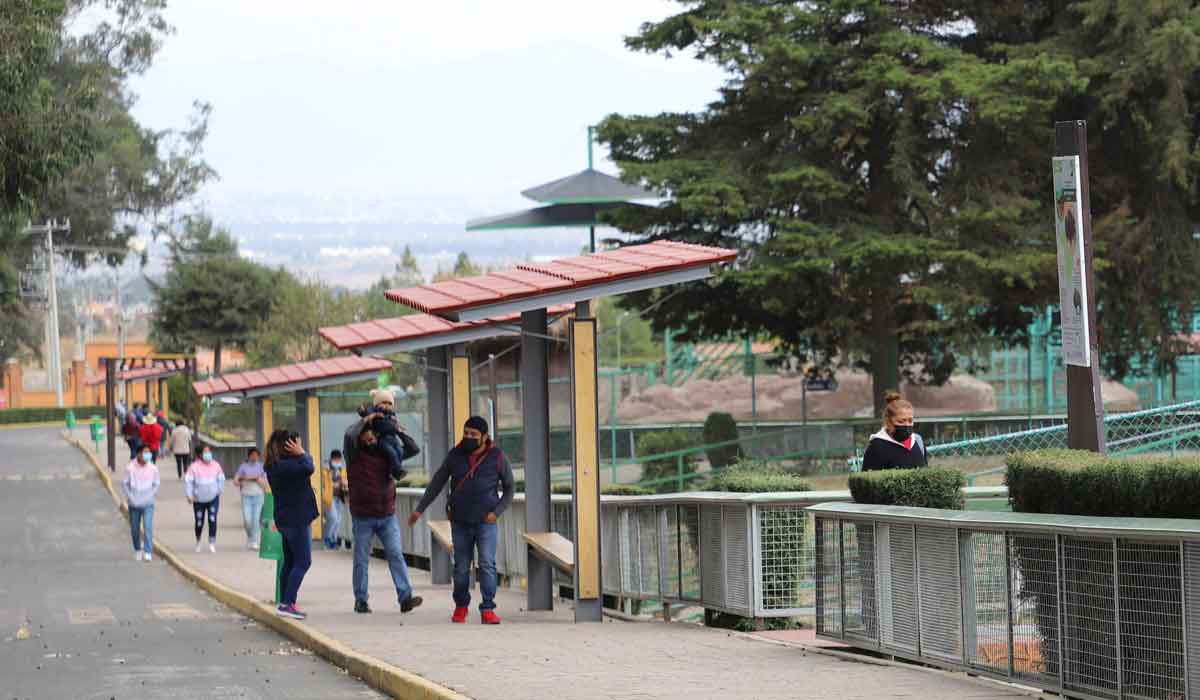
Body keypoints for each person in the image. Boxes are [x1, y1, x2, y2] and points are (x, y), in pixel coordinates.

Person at [408, 416, 512, 625]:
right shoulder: (455, 455)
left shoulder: (497, 456)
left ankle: (488, 608)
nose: (468, 437)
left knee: (487, 564)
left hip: (486, 521)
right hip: (460, 521)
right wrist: (419, 510)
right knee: (461, 567)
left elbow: (510, 488)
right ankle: (461, 606)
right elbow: (437, 482)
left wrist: (497, 512)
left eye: (474, 434)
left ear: (485, 437)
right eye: (466, 433)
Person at [342, 422, 423, 615]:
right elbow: (349, 435)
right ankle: (361, 600)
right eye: (365, 439)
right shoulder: (353, 455)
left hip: (387, 515)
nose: (370, 442)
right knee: (361, 559)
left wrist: (398, 431)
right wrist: (368, 418)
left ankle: (405, 598)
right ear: (359, 439)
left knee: (395, 554)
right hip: (363, 517)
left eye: (372, 438)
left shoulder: (388, 453)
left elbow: (413, 449)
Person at [264, 429, 319, 620]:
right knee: (303, 561)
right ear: (289, 446)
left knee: (290, 561)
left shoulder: (274, 465)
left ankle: (285, 602)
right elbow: (309, 467)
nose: (300, 447)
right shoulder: (288, 465)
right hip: (296, 519)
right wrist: (302, 453)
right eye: (297, 443)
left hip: (285, 518)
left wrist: (300, 455)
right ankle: (287, 603)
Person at [357, 389, 419, 479]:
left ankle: (396, 470)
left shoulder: (391, 414)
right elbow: (365, 413)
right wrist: (363, 411)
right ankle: (396, 470)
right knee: (391, 452)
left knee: (399, 451)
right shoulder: (373, 411)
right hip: (383, 439)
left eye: (389, 404)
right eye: (384, 402)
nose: (387, 405)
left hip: (393, 438)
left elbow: (414, 448)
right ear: (377, 403)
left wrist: (399, 428)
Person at [861, 391, 928, 470]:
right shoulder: (877, 447)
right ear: (888, 422)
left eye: (910, 421)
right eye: (901, 421)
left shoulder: (917, 441)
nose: (907, 425)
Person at [121, 445, 160, 562]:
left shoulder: (153, 468)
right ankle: (137, 549)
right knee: (134, 528)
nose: (148, 455)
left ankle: (148, 551)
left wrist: (151, 495)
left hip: (148, 504)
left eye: (149, 452)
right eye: (145, 452)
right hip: (134, 504)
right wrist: (130, 497)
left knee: (148, 526)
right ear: (138, 454)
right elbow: (124, 484)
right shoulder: (130, 468)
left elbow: (156, 483)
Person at [185, 445, 225, 552]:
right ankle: (198, 541)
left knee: (212, 519)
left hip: (213, 498)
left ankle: (212, 542)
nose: (208, 454)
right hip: (198, 499)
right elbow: (188, 482)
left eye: (209, 452)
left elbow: (221, 478)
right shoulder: (194, 467)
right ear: (200, 454)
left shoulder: (216, 465)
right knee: (199, 521)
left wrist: (219, 489)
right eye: (205, 452)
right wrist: (189, 495)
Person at [234, 447, 269, 550]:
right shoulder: (243, 466)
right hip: (246, 496)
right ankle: (250, 536)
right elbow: (236, 481)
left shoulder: (262, 467)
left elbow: (266, 484)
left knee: (255, 519)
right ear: (249, 456)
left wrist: (257, 479)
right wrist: (242, 479)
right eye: (252, 455)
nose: (254, 457)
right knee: (247, 519)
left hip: (258, 496)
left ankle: (255, 541)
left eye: (256, 455)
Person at [321, 449, 346, 550]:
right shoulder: (325, 469)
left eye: (339, 460)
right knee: (333, 518)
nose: (337, 462)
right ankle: (327, 538)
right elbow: (323, 482)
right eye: (336, 460)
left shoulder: (342, 468)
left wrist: (344, 483)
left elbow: (345, 480)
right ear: (332, 459)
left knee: (338, 520)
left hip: (340, 497)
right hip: (329, 497)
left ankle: (334, 540)